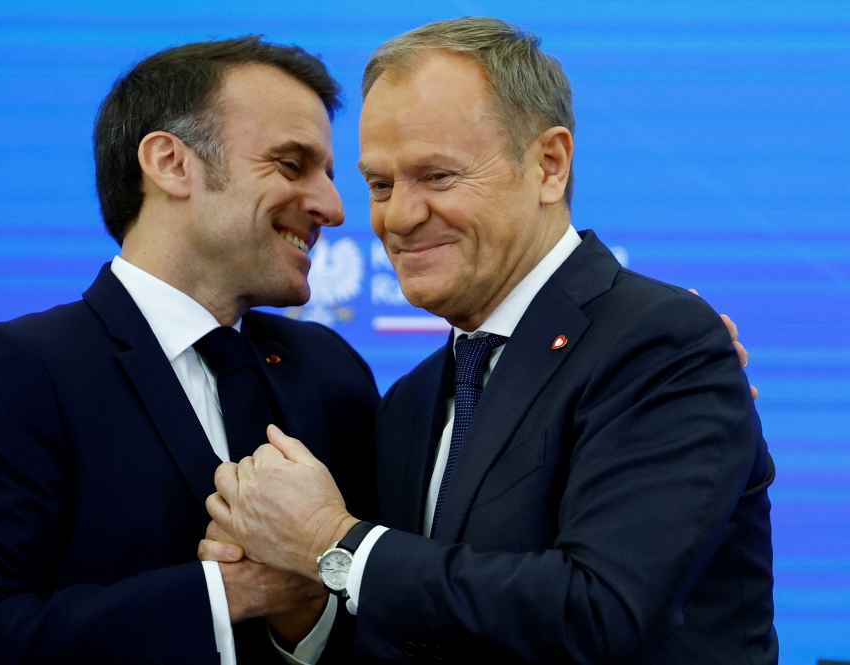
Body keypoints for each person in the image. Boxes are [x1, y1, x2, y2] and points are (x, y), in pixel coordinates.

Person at [203, 18, 778, 664]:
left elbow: (599, 614)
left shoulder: (661, 344)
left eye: (438, 176)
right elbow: (414, 626)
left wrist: (336, 542)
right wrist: (300, 602)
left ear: (549, 166)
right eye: (381, 184)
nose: (399, 216)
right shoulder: (411, 402)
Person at [0, 37, 379, 664]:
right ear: (171, 163)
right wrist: (224, 593)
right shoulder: (17, 371)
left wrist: (302, 613)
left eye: (329, 175)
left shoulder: (333, 373)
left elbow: (383, 629)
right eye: (291, 165)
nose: (334, 208)